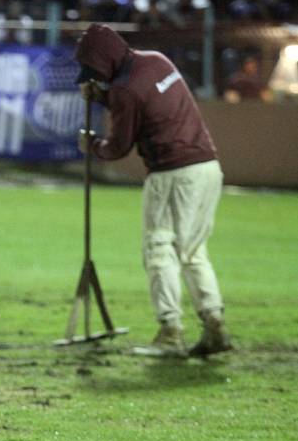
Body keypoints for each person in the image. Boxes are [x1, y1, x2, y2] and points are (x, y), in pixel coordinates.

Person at [74, 23, 231, 358]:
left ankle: (171, 330)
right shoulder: (157, 61)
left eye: (94, 69)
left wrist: (93, 145)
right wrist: (104, 97)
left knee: (159, 249)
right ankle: (214, 323)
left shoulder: (124, 90)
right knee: (192, 251)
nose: (95, 75)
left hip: (171, 174)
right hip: (207, 167)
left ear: (103, 59)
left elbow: (118, 147)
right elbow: (147, 100)